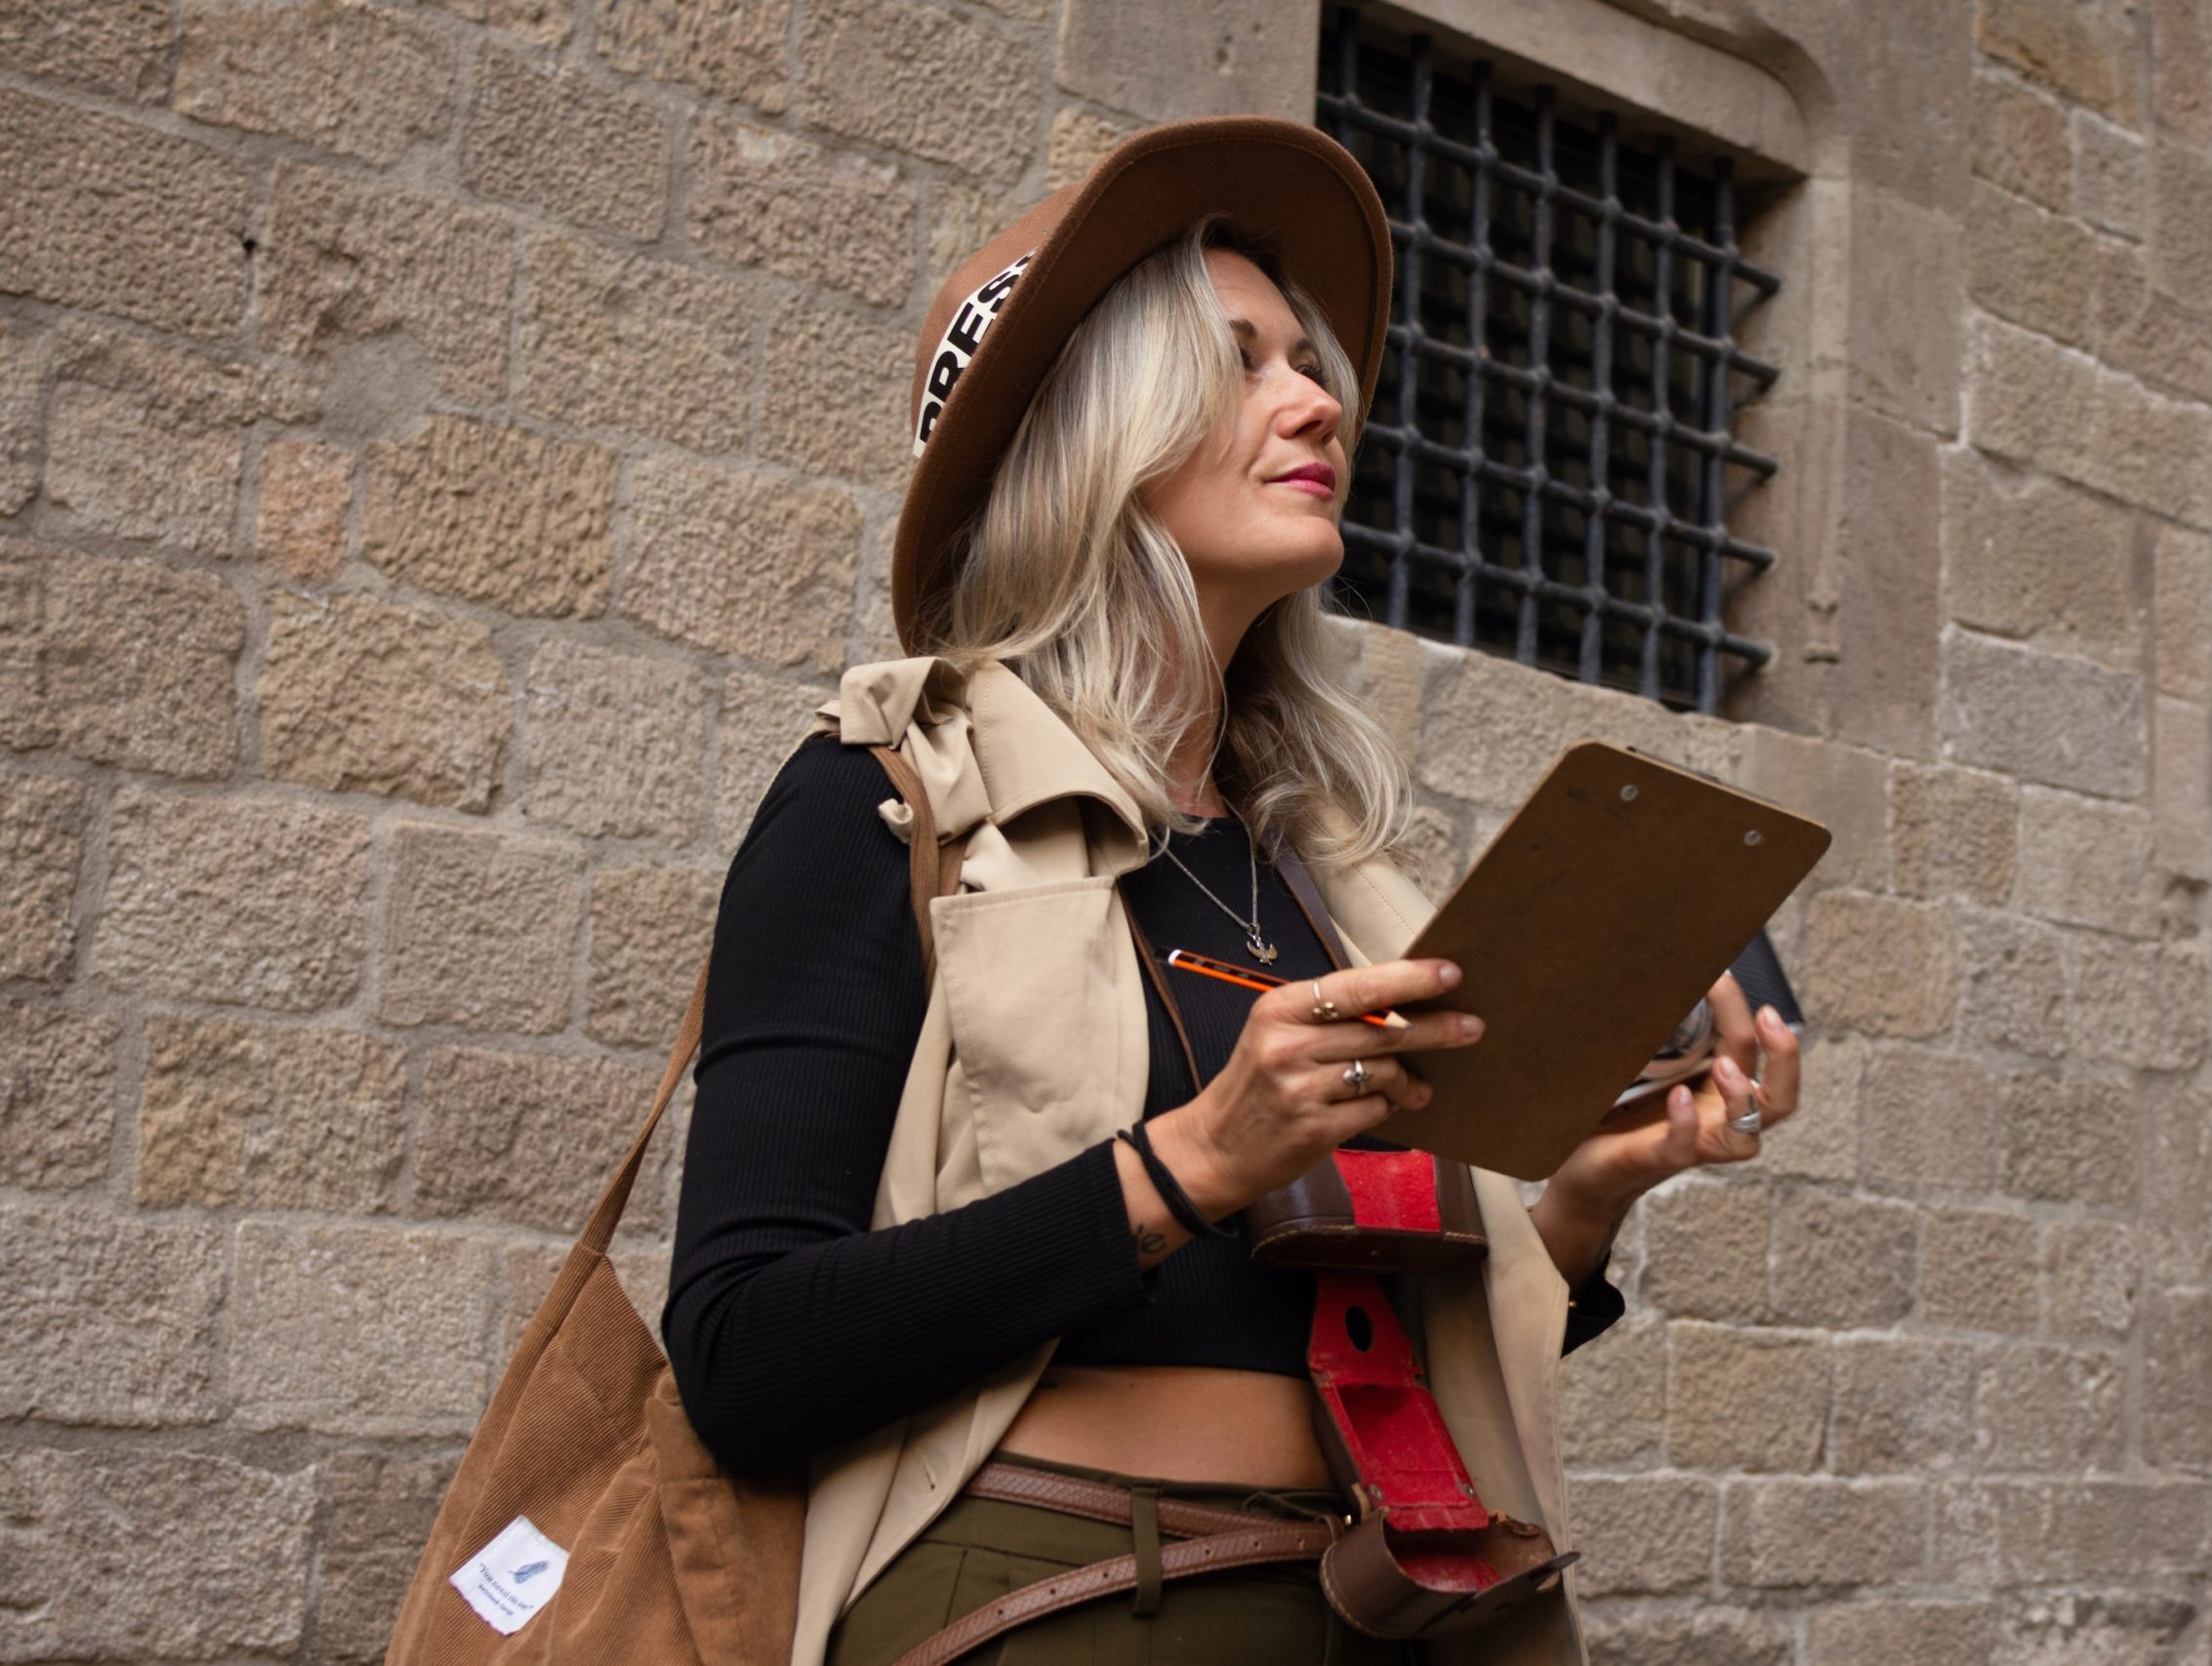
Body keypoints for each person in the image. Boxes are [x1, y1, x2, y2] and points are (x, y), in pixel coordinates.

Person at [661, 117, 1801, 1666]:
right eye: (1241, 359)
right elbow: (739, 1355)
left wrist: (1590, 1200)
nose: (1318, 398)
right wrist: (1194, 1160)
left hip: (1380, 1599)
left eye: (1310, 360)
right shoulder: (887, 798)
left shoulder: (1323, 870)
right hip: (1051, 1598)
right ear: (1096, 432)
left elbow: (1362, 1328)